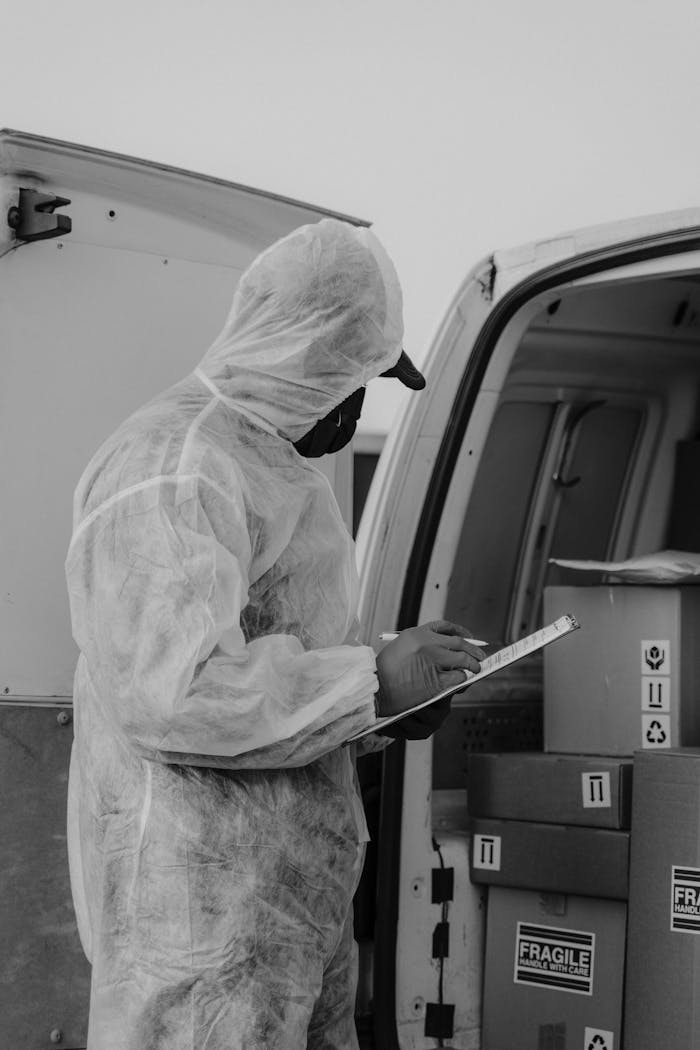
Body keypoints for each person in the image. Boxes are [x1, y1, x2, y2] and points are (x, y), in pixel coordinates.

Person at [65, 218, 483, 1049]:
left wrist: (382, 703)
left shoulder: (276, 468)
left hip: (289, 911)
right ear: (302, 352)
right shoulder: (176, 463)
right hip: (196, 927)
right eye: (355, 377)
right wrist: (366, 680)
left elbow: (280, 662)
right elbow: (174, 695)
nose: (356, 403)